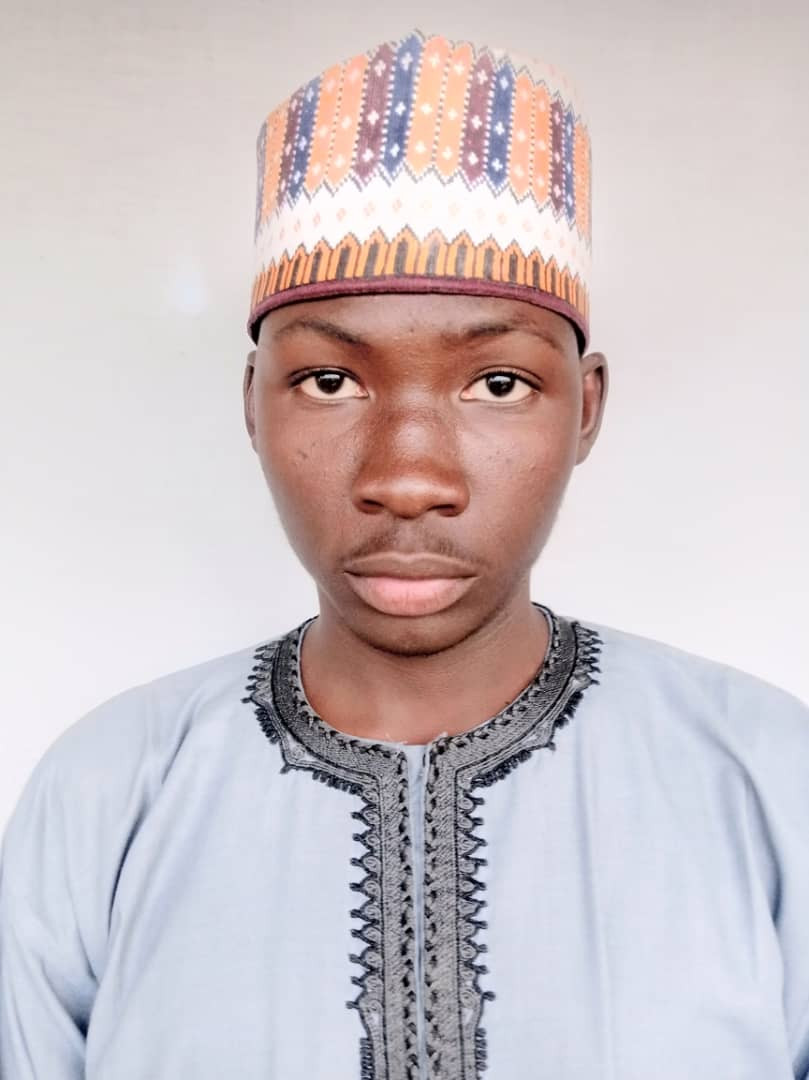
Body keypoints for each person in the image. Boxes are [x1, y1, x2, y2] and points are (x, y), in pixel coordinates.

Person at [1, 27, 807, 1080]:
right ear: (252, 404)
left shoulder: (767, 778)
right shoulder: (106, 793)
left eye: (498, 384)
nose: (408, 476)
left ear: (585, 409)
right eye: (330, 382)